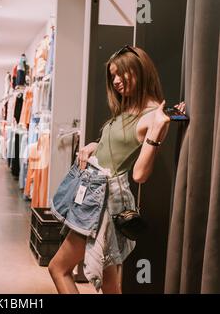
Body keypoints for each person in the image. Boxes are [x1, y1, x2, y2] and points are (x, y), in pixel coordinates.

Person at [48, 45, 186, 294]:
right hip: (96, 193)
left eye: (122, 74)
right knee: (111, 284)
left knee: (58, 268)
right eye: (113, 76)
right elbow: (118, 144)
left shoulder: (152, 116)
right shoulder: (129, 107)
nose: (116, 81)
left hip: (105, 200)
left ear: (140, 70)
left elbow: (140, 174)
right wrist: (95, 144)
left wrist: (156, 132)